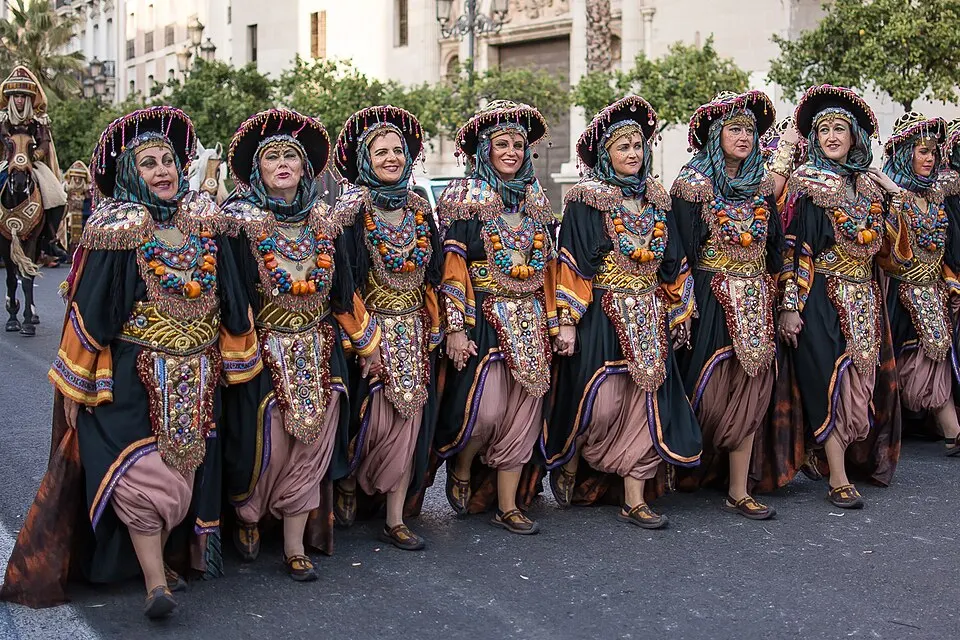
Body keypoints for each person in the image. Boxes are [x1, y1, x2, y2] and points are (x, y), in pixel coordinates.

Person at [0, 106, 260, 618]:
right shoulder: (116, 227)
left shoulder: (205, 223)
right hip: (132, 377)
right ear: (127, 173)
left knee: (186, 475)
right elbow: (90, 311)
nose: (163, 170)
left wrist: (239, 360)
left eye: (168, 160)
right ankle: (154, 584)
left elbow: (232, 296)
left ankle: (166, 560)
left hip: (199, 375)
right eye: (148, 163)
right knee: (143, 479)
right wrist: (75, 389)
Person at [220, 109, 376, 581]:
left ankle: (293, 545)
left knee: (312, 447)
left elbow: (343, 288)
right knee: (264, 444)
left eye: (292, 155)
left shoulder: (325, 221)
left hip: (319, 347)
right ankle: (248, 516)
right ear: (257, 169)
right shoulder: (237, 220)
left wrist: (367, 345)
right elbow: (231, 294)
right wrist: (235, 355)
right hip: (263, 350)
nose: (283, 162)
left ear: (306, 167)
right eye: (272, 156)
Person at [541, 95, 701, 528]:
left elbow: (674, 259)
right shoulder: (585, 198)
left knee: (646, 401)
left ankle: (635, 496)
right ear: (605, 154)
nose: (633, 154)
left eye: (638, 146)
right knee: (600, 404)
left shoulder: (657, 197)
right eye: (623, 147)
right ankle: (573, 460)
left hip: (649, 315)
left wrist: (679, 309)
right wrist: (567, 323)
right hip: (602, 316)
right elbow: (572, 260)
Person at [433, 100, 557, 535]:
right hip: (485, 317)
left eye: (519, 145)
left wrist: (558, 319)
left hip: (532, 319)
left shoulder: (535, 198)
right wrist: (455, 327)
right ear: (484, 150)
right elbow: (452, 267)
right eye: (501, 144)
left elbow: (549, 265)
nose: (511, 152)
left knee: (523, 412)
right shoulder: (464, 197)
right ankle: (463, 462)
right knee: (484, 413)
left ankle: (508, 504)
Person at [777, 84, 903, 508]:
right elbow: (796, 247)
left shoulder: (869, 187)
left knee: (863, 383)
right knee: (830, 380)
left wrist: (892, 191)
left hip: (866, 296)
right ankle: (837, 476)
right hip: (821, 296)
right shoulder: (806, 183)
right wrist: (790, 307)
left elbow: (890, 252)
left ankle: (838, 458)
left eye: (839, 129)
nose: (832, 136)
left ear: (855, 138)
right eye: (824, 129)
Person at [330, 105, 442, 550]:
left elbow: (432, 275)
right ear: (364, 160)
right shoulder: (352, 210)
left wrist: (441, 327)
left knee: (410, 421)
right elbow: (344, 282)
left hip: (414, 334)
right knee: (370, 422)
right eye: (381, 152)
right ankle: (351, 486)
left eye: (399, 151)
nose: (392, 158)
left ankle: (396, 517)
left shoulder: (417, 206)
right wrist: (364, 340)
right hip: (369, 336)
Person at [670, 91, 781, 520]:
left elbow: (775, 251)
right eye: (734, 129)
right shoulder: (692, 185)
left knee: (752, 389)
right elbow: (677, 250)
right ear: (716, 135)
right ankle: (688, 466)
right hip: (709, 297)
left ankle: (738, 488)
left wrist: (784, 302)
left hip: (756, 298)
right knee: (707, 389)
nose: (743, 137)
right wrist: (682, 303)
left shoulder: (762, 184)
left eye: (750, 131)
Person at [880, 113, 960, 456]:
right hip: (896, 296)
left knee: (934, 361)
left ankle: (952, 432)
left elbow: (943, 249)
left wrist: (951, 283)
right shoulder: (887, 194)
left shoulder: (936, 196)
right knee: (903, 366)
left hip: (933, 294)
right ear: (904, 154)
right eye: (922, 152)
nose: (929, 159)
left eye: (932, 153)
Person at [0, 66, 68, 266]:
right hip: (7, 163)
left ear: (29, 98)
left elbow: (45, 143)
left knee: (58, 196)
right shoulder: (3, 118)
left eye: (23, 96)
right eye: (16, 96)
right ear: (11, 98)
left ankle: (49, 239)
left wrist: (34, 155)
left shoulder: (38, 120)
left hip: (33, 164)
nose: (20, 100)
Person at [62, 160, 93, 255]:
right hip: (67, 220)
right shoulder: (65, 190)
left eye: (80, 178)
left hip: (83, 218)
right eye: (75, 178)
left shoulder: (88, 193)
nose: (77, 180)